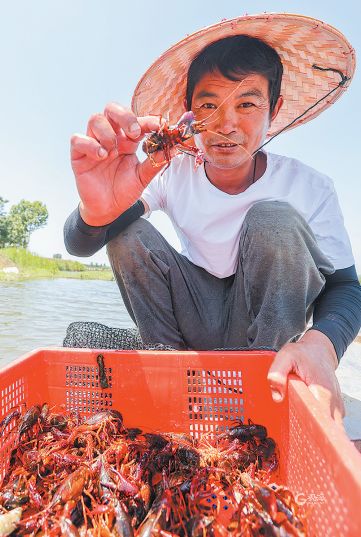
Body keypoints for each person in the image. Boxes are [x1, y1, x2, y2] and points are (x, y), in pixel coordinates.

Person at [64, 14, 361, 426]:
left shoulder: (309, 187)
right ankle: (173, 380)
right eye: (208, 105)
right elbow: (82, 242)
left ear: (273, 110)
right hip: (191, 320)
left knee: (273, 220)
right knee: (125, 234)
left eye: (247, 104)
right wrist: (98, 211)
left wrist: (321, 345)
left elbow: (346, 287)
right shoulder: (169, 170)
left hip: (265, 332)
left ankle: (261, 393)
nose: (226, 125)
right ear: (189, 114)